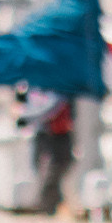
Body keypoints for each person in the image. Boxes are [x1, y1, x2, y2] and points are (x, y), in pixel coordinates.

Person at [18, 86, 74, 216]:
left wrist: (27, 117)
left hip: (58, 131)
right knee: (45, 169)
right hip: (44, 131)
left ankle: (49, 206)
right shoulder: (34, 85)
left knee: (56, 168)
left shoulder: (56, 83)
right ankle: (48, 206)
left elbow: (54, 104)